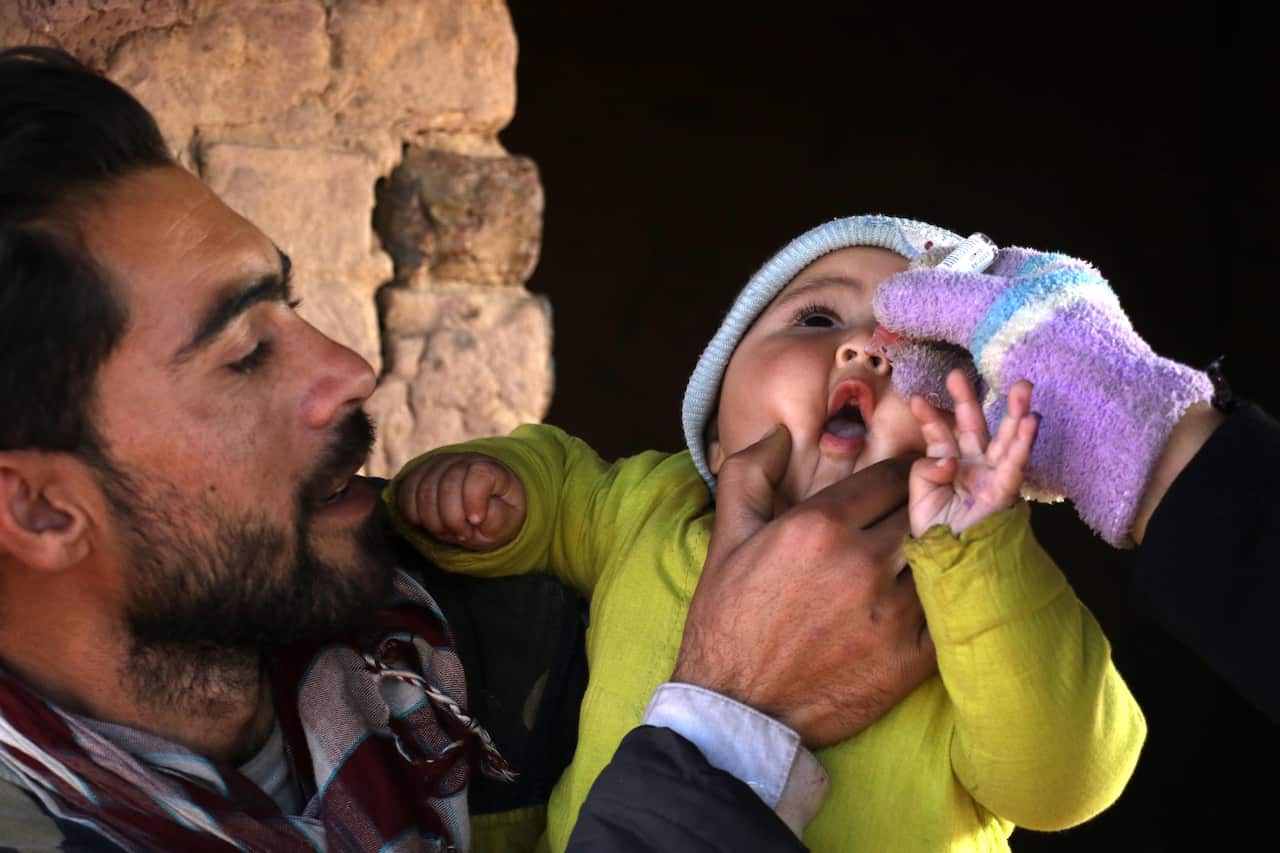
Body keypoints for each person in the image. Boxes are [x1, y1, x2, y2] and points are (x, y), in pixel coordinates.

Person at [0, 46, 941, 853]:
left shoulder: (508, 638)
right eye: (245, 354)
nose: (350, 368)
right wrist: (728, 725)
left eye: (291, 310)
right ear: (41, 508)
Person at [390, 215, 1148, 852]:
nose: (868, 350)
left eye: (924, 353)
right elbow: (562, 485)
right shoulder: (654, 507)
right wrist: (495, 483)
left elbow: (1070, 777)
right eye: (818, 318)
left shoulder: (961, 600)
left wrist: (981, 552)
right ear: (715, 432)